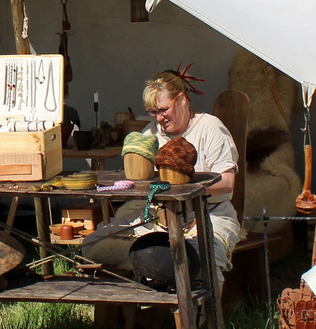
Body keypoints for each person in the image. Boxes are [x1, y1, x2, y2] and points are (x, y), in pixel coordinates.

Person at [84, 70, 246, 275]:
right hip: (160, 218)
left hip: (208, 213)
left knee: (202, 261)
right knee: (94, 243)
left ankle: (196, 304)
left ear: (182, 100)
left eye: (163, 110)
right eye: (153, 112)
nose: (158, 118)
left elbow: (227, 182)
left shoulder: (210, 128)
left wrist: (184, 189)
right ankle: (141, 286)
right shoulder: (151, 134)